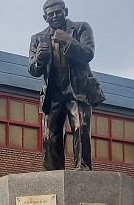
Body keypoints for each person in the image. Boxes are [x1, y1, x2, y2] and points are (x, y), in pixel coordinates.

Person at [28, 0, 105, 171]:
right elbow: (33, 69)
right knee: (50, 136)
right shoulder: (37, 39)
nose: (54, 16)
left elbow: (88, 54)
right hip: (52, 94)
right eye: (50, 14)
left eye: (58, 12)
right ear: (45, 17)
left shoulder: (81, 28)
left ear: (66, 11)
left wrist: (67, 40)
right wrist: (39, 59)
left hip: (77, 91)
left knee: (81, 128)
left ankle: (83, 168)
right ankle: (52, 173)